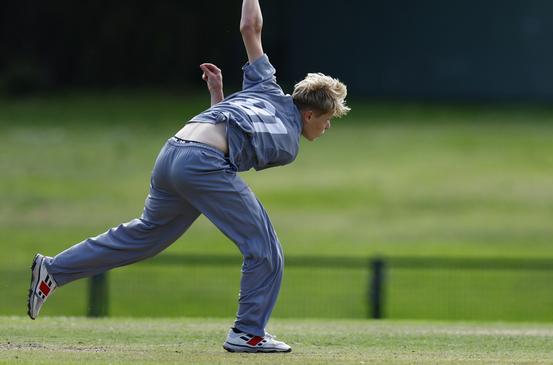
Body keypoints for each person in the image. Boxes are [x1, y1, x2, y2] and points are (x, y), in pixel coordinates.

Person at [27, 0, 349, 354]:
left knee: (145, 236)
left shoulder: (267, 85)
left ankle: (53, 271)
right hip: (202, 163)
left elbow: (249, 29)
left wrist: (217, 96)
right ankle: (248, 332)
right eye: (327, 118)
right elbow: (231, 148)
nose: (328, 126)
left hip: (173, 151)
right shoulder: (289, 145)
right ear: (308, 114)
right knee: (265, 248)